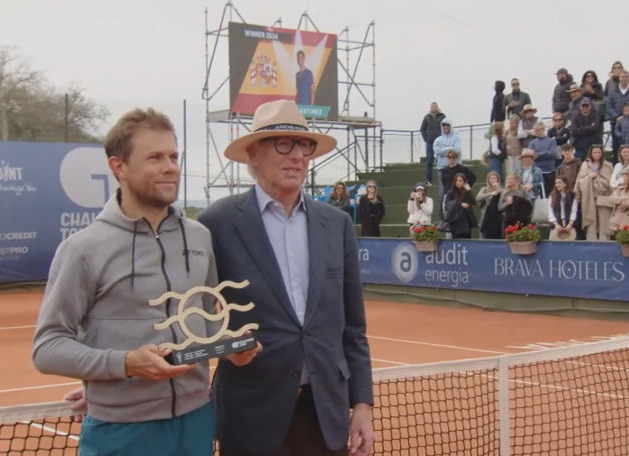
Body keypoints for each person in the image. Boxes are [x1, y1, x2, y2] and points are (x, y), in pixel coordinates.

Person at [32, 108, 258, 456]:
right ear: (118, 167)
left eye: (173, 156)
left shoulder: (199, 237)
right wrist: (124, 363)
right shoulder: (83, 249)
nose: (171, 167)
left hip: (196, 420)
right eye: (154, 157)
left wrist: (228, 347)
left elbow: (203, 316)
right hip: (121, 431)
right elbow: (47, 347)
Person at [197, 100, 374, 456]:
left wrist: (363, 405)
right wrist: (227, 350)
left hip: (325, 412)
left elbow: (353, 328)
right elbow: (194, 318)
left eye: (304, 146)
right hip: (250, 415)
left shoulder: (337, 225)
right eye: (283, 144)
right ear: (252, 154)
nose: (297, 156)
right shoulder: (216, 222)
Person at [574, 145, 614, 240]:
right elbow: (579, 182)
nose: (597, 154)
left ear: (602, 153)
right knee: (590, 220)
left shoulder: (607, 165)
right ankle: (591, 240)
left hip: (604, 196)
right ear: (591, 153)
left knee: (604, 221)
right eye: (594, 152)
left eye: (599, 152)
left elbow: (611, 183)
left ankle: (605, 242)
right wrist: (590, 177)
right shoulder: (585, 165)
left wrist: (599, 179)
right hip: (589, 197)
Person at [605, 70, 629, 162]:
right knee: (616, 147)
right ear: (619, 78)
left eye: (626, 77)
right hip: (616, 122)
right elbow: (609, 106)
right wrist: (617, 117)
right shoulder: (613, 92)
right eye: (622, 77)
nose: (624, 78)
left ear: (628, 78)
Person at [434, 149, 476, 221]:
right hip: (447, 194)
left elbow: (473, 177)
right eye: (449, 157)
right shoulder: (445, 170)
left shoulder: (462, 168)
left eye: (453, 157)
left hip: (458, 194)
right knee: (446, 213)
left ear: (456, 158)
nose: (451, 159)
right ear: (447, 158)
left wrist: (465, 187)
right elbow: (443, 181)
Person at [528, 122, 559, 195]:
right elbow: (531, 156)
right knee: (538, 194)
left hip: (550, 171)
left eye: (538, 130)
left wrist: (538, 155)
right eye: (535, 130)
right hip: (537, 172)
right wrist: (546, 152)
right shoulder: (532, 143)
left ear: (543, 129)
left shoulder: (551, 141)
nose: (537, 132)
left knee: (550, 193)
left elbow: (553, 153)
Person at [443, 173, 477, 239]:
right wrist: (460, 204)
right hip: (455, 221)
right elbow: (447, 205)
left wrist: (469, 190)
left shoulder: (466, 192)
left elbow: (473, 202)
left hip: (466, 222)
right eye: (457, 180)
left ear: (464, 182)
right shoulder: (451, 192)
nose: (458, 182)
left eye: (461, 181)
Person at [420, 102, 445, 185]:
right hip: (430, 142)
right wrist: (426, 138)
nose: (434, 108)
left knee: (442, 160)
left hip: (440, 142)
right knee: (429, 161)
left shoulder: (442, 116)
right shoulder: (427, 117)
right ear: (430, 108)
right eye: (432, 107)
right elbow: (422, 129)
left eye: (435, 107)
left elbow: (446, 127)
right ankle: (428, 180)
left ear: (438, 107)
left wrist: (443, 137)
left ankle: (443, 179)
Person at [548, 175, 578, 241]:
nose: (557, 185)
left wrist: (570, 224)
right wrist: (556, 224)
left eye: (559, 183)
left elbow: (574, 211)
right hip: (556, 224)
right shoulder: (552, 195)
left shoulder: (572, 195)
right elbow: (550, 211)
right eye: (556, 183)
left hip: (568, 224)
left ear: (565, 184)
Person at [476, 171, 504, 239]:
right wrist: (490, 194)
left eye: (494, 178)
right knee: (483, 233)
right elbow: (478, 198)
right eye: (490, 178)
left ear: (498, 179)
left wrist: (497, 189)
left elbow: (503, 199)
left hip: (497, 216)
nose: (492, 180)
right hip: (485, 214)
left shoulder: (502, 190)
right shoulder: (484, 189)